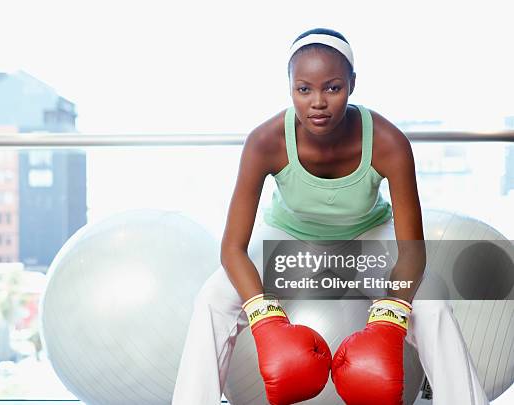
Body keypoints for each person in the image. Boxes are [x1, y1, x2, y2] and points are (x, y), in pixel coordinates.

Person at [172, 28, 488, 405]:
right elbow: (232, 249)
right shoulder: (265, 141)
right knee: (212, 299)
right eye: (304, 89)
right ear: (289, 87)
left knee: (433, 302)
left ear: (352, 84)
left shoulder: (388, 142)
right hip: (287, 238)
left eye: (332, 88)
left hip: (366, 237)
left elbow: (412, 251)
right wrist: (265, 317)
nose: (317, 102)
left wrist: (390, 319)